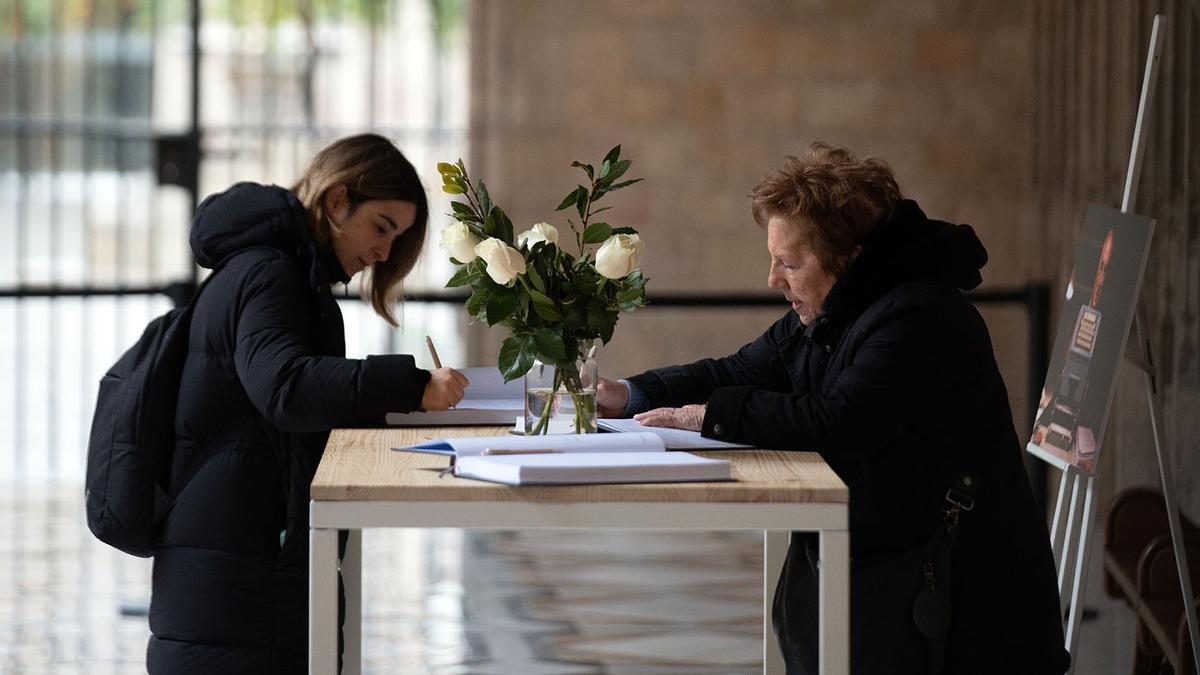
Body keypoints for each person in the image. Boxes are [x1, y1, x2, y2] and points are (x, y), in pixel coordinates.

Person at [596, 143, 1070, 674]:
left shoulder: (918, 314)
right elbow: (736, 370)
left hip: (969, 612)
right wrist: (628, 394)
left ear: (848, 257)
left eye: (789, 263)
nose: (774, 280)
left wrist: (705, 416)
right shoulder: (836, 307)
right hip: (896, 580)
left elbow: (840, 421)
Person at [146, 133, 468, 673]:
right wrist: (411, 386)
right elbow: (286, 388)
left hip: (237, 565)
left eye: (398, 238)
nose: (384, 252)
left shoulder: (284, 272)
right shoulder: (273, 272)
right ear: (338, 200)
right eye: (381, 227)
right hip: (239, 581)